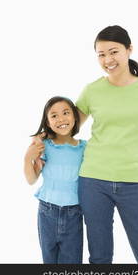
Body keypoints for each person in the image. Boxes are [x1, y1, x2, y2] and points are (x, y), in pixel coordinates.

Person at [75, 25, 138, 264]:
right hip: (93, 180)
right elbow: (68, 128)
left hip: (135, 182)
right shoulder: (92, 90)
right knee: (99, 258)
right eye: (101, 54)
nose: (107, 59)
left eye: (113, 52)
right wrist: (40, 139)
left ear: (129, 50)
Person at [24, 96, 87, 264]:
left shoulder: (84, 148)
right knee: (49, 261)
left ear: (75, 116)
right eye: (54, 116)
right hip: (47, 212)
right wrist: (27, 159)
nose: (61, 119)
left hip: (74, 213)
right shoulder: (44, 146)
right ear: (47, 121)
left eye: (66, 113)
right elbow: (31, 179)